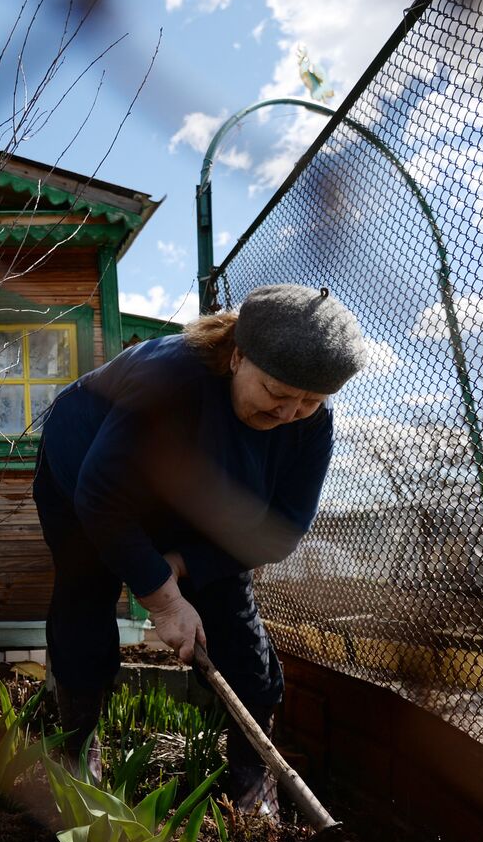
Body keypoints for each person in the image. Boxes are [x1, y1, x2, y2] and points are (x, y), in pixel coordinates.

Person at [33, 284, 366, 809]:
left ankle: (252, 778)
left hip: (199, 510)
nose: (288, 413)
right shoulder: (170, 378)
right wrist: (163, 598)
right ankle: (77, 748)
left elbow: (280, 528)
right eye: (277, 394)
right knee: (87, 595)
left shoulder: (309, 425)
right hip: (89, 480)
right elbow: (101, 494)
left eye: (309, 401)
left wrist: (187, 564)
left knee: (237, 635)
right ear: (237, 356)